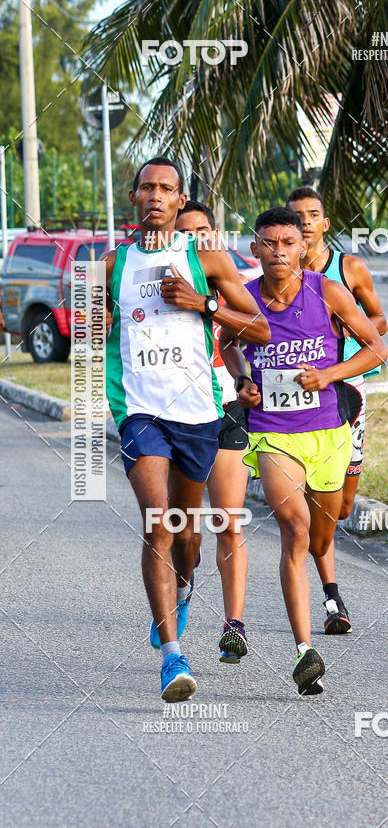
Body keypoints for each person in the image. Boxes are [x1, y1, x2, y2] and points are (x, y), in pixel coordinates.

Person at [102, 158, 269, 702]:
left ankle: (185, 586)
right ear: (134, 197)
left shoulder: (207, 258)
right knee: (157, 522)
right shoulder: (111, 265)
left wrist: (203, 304)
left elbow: (259, 328)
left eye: (167, 189)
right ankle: (173, 658)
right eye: (147, 187)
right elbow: (95, 329)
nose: (155, 196)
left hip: (198, 413)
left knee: (187, 535)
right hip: (139, 410)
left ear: (180, 202)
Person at [220, 207, 387, 695]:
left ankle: (328, 590)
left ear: (302, 247)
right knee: (294, 529)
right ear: (255, 250)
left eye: (287, 243)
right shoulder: (243, 297)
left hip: (329, 431)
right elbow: (227, 342)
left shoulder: (327, 291)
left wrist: (329, 374)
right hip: (273, 434)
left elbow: (376, 348)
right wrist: (243, 378)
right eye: (268, 243)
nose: (278, 252)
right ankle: (303, 651)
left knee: (322, 532)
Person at [286, 186, 388, 635]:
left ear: (326, 223)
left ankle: (318, 555)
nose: (306, 223)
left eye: (313, 215)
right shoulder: (274, 273)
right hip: (298, 402)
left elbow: (378, 322)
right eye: (297, 217)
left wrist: (343, 335)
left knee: (341, 508)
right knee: (304, 510)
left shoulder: (348, 269)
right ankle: (330, 596)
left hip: (348, 391)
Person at [175, 201, 249, 664]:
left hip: (224, 409)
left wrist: (244, 380)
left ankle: (234, 627)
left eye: (204, 230)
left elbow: (248, 336)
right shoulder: (162, 283)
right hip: (177, 413)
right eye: (188, 232)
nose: (198, 239)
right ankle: (182, 587)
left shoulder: (226, 280)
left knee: (228, 520)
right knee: (185, 531)